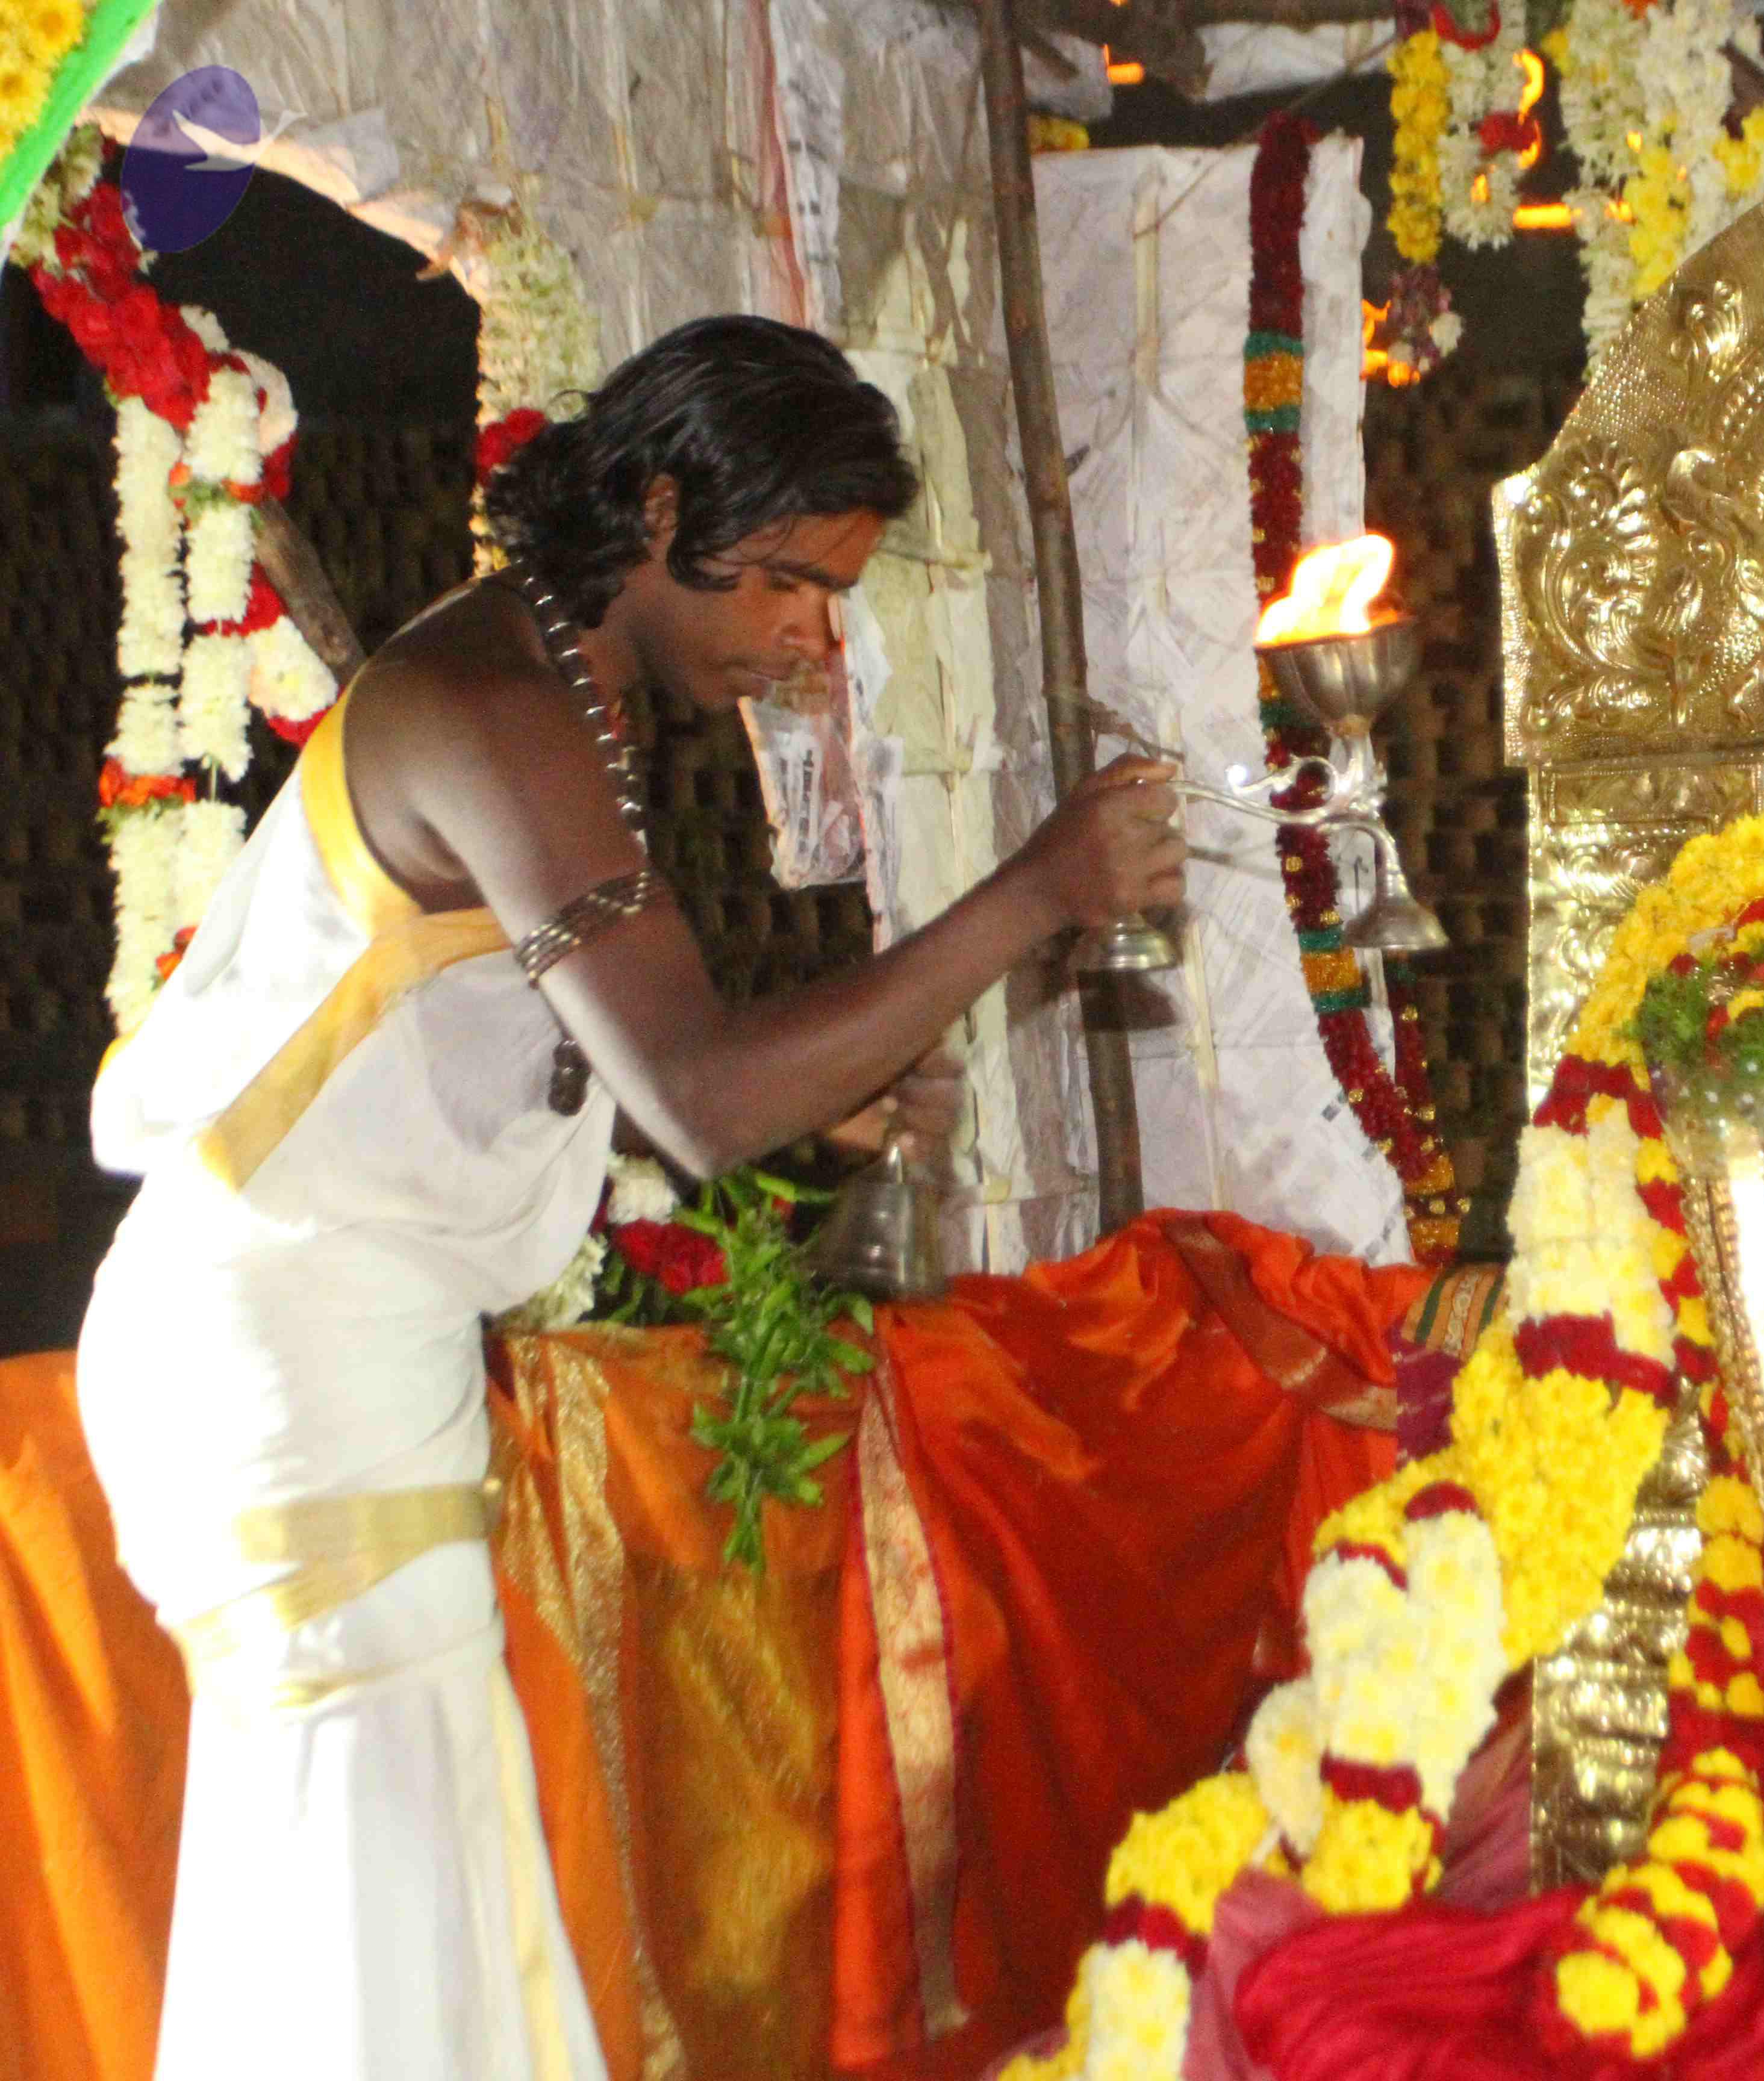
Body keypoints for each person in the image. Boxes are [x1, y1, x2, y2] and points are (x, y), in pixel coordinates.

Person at [74, 314, 1184, 2081]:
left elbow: (585, 1072)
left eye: (833, 596)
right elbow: (698, 1091)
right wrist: (1033, 894)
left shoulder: (561, 690)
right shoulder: (496, 707)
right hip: (275, 1349)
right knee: (363, 1881)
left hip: (347, 1344)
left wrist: (823, 1108)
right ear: (662, 512)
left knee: (411, 1876)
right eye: (791, 583)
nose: (812, 636)